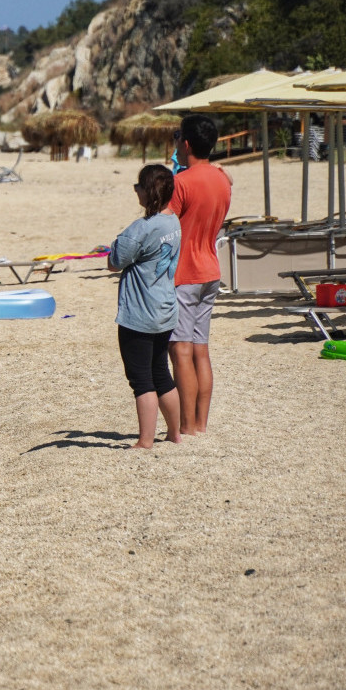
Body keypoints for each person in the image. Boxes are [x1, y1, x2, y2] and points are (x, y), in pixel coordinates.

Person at [108, 165, 183, 449]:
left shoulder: (141, 228)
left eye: (138, 185)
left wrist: (117, 242)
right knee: (161, 372)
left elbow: (114, 262)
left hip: (139, 314)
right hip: (165, 309)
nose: (135, 190)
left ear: (147, 191)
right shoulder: (173, 222)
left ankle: (145, 440)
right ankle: (174, 434)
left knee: (142, 380)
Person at [167, 114, 232, 436]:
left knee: (180, 350)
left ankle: (187, 425)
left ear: (187, 142)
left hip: (184, 272)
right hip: (210, 269)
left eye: (178, 136)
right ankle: (200, 424)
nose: (176, 142)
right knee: (200, 349)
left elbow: (164, 226)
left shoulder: (181, 183)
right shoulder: (222, 179)